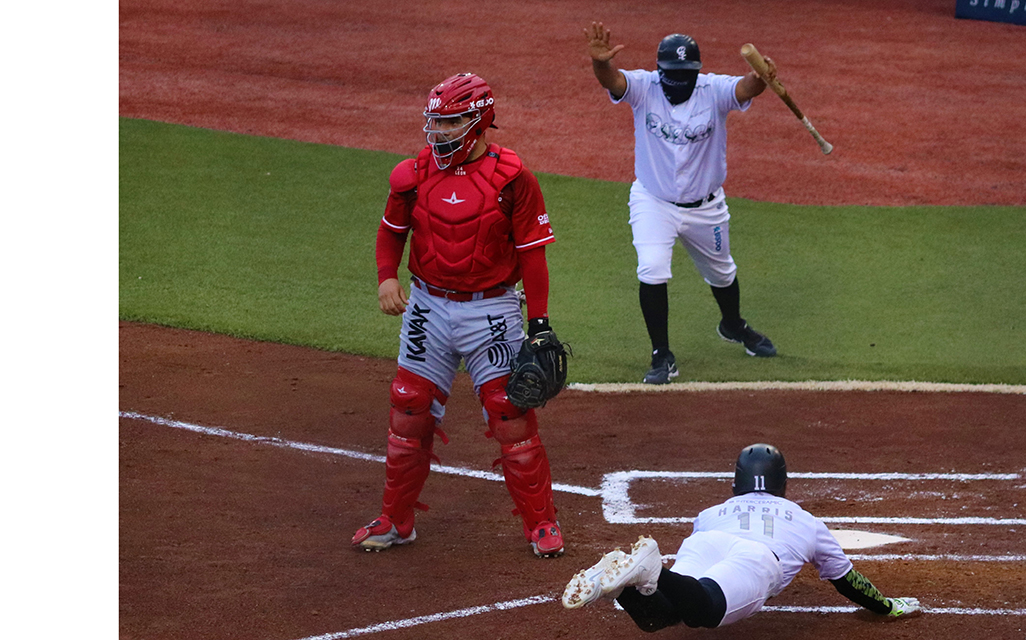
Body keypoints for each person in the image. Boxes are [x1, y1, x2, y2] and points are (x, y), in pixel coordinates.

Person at [351, 72, 566, 558]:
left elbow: (533, 255)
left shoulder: (514, 180)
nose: (441, 133)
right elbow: (391, 232)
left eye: (451, 123)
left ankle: (541, 525)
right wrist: (388, 277)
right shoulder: (412, 175)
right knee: (409, 408)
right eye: (437, 123)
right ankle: (396, 521)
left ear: (480, 119)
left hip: (490, 307)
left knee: (510, 414)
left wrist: (540, 324)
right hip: (427, 305)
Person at [584, 23, 779, 385]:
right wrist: (599, 63)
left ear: (697, 71)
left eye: (685, 74)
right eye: (672, 74)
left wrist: (760, 77)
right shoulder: (644, 87)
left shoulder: (714, 90)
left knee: (722, 273)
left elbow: (744, 88)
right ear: (660, 72)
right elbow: (613, 82)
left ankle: (733, 325)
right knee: (652, 269)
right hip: (653, 201)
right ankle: (662, 355)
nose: (678, 80)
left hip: (706, 207)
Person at [562, 444, 921, 629]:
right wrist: (885, 605)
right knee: (705, 610)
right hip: (758, 558)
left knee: (664, 616)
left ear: (735, 484)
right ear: (783, 485)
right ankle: (651, 572)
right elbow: (846, 580)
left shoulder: (711, 514)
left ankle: (622, 583)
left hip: (706, 543)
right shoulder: (805, 519)